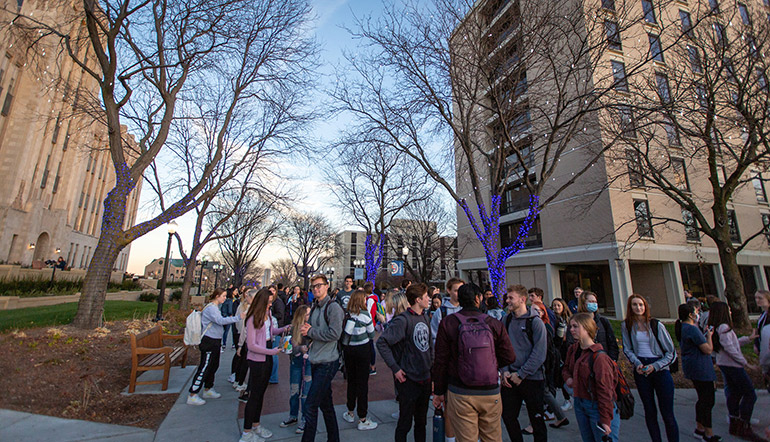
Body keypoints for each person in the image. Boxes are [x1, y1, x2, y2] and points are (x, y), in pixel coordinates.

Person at [433, 283, 516, 442]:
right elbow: (510, 356)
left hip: (460, 390)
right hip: (490, 390)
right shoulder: (493, 323)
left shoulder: (449, 323)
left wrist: (438, 391)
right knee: (492, 437)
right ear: (478, 299)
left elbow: (441, 360)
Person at [377, 283, 433, 442]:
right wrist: (395, 368)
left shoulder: (425, 317)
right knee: (405, 423)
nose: (428, 298)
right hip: (409, 380)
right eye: (426, 296)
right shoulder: (403, 320)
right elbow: (382, 343)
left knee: (421, 423)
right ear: (417, 299)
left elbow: (430, 347)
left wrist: (432, 373)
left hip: (425, 378)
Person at [621, 294, 678, 442]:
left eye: (641, 304)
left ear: (645, 306)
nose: (638, 307)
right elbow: (627, 348)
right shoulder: (627, 325)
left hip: (659, 369)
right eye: (634, 304)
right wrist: (637, 363)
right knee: (650, 410)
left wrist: (655, 366)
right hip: (641, 370)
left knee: (667, 413)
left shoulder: (656, 325)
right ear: (630, 307)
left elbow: (671, 352)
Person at [239, 288, 291, 442]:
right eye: (268, 302)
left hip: (267, 355)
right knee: (254, 395)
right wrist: (271, 352)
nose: (271, 305)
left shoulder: (268, 315)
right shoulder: (253, 318)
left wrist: (284, 328)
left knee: (261, 393)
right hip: (257, 359)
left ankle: (256, 425)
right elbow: (252, 345)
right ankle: (247, 432)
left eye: (271, 301)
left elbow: (271, 331)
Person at [709, 302, 765, 441]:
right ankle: (743, 426)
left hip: (726, 364)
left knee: (734, 393)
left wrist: (748, 339)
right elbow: (730, 349)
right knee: (750, 394)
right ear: (723, 312)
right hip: (731, 365)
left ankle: (735, 423)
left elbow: (732, 344)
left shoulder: (719, 328)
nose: (730, 311)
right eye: (728, 309)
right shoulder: (724, 327)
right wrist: (746, 364)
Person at [300, 274, 344, 442]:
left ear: (327, 286)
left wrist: (310, 332)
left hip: (328, 361)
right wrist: (306, 335)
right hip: (315, 359)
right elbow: (310, 330)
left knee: (310, 405)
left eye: (319, 285)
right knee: (326, 405)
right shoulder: (315, 307)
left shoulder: (333, 308)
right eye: (314, 287)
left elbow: (335, 333)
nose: (316, 289)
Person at [500, 285, 547, 442]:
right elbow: (501, 347)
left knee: (537, 420)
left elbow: (539, 353)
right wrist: (505, 370)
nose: (507, 301)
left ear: (522, 299)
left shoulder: (535, 323)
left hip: (532, 379)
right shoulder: (506, 320)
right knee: (508, 416)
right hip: (510, 378)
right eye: (507, 298)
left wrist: (521, 374)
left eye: (511, 298)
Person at [562, 313, 620, 442]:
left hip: (596, 406)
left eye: (575, 327)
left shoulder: (599, 358)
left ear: (587, 328)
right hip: (580, 402)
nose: (571, 330)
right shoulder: (573, 350)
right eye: (570, 326)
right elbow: (565, 368)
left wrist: (605, 419)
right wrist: (568, 378)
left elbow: (605, 390)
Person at [187, 288, 243, 406]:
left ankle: (208, 388)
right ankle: (193, 393)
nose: (224, 298)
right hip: (209, 341)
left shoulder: (214, 307)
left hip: (215, 340)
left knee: (213, 365)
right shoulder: (212, 308)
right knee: (205, 366)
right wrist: (238, 318)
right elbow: (220, 320)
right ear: (217, 296)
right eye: (223, 296)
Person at [674, 303, 720, 442]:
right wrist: (710, 336)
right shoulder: (692, 329)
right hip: (701, 368)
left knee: (702, 398)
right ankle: (708, 433)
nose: (697, 313)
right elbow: (707, 349)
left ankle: (700, 429)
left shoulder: (683, 328)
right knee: (707, 400)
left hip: (693, 367)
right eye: (695, 311)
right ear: (690, 315)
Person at [341, 289, 378, 430]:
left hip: (349, 350)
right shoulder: (365, 315)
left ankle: (350, 411)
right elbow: (372, 333)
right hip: (363, 350)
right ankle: (362, 417)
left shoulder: (348, 314)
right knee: (363, 384)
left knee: (352, 381)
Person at [281, 305, 312, 434]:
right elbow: (287, 348)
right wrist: (299, 348)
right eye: (307, 314)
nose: (309, 316)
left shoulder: (311, 328)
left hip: (308, 362)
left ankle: (305, 418)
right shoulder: (292, 329)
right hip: (296, 362)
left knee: (306, 392)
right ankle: (293, 415)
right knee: (294, 390)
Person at [576, 291, 619, 360]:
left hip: (603, 359)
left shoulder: (603, 321)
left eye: (595, 302)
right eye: (590, 301)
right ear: (583, 303)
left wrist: (612, 359)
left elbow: (612, 343)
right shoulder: (576, 322)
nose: (593, 304)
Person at [230, 288, 254, 392]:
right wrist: (241, 343)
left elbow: (237, 322)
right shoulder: (249, 309)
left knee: (241, 359)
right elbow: (245, 327)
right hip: (245, 337)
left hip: (240, 335)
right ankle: (240, 382)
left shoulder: (242, 306)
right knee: (244, 361)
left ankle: (237, 380)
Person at [551, 298, 572, 411]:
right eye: (554, 305)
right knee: (561, 374)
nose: (556, 308)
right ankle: (566, 398)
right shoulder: (553, 319)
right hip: (558, 348)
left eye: (558, 305)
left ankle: (570, 397)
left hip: (567, 348)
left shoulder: (568, 319)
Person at [753, 290, 770, 393]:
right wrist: (756, 344)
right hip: (764, 349)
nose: (757, 300)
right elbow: (759, 331)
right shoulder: (763, 314)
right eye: (756, 298)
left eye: (760, 298)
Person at [268, 285, 285, 384]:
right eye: (269, 291)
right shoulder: (270, 302)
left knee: (274, 354)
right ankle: (271, 375)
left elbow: (280, 315)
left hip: (276, 329)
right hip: (271, 330)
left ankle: (273, 377)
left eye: (273, 291)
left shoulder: (278, 302)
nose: (271, 293)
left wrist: (270, 316)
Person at [363, 281, 379, 375]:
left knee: (370, 344)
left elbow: (368, 313)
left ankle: (372, 365)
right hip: (371, 323)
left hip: (369, 323)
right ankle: (371, 364)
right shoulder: (372, 299)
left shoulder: (370, 300)